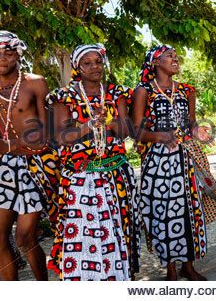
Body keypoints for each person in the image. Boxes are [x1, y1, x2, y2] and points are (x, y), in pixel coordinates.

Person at [133, 45, 216, 281]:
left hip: (185, 158)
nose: (175, 58)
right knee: (163, 213)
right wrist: (162, 137)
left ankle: (188, 266)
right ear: (155, 62)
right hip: (158, 162)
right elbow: (136, 131)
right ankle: (170, 270)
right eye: (169, 56)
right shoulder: (144, 91)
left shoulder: (186, 90)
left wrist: (198, 131)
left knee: (189, 210)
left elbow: (190, 124)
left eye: (176, 55)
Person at [46, 43, 140, 280]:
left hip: (114, 175)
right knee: (82, 234)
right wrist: (88, 125)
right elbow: (61, 137)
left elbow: (125, 130)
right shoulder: (65, 96)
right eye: (87, 63)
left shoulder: (114, 93)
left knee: (119, 230)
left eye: (97, 62)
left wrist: (108, 122)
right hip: (80, 176)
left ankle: (120, 278)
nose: (94, 67)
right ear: (78, 66)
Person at [0, 31, 59, 280]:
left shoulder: (34, 83)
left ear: (18, 55)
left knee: (25, 237)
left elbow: (49, 134)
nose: (1, 58)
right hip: (4, 168)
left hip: (34, 165)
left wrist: (10, 145)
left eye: (8, 52)